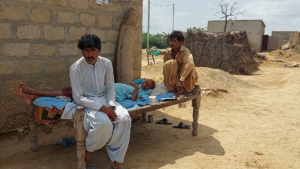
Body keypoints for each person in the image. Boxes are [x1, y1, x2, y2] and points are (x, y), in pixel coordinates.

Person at [70, 34, 130, 169]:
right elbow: (78, 97)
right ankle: (88, 153)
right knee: (104, 124)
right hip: (87, 102)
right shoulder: (75, 68)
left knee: (125, 118)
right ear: (81, 51)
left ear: (99, 50)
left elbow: (110, 88)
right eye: (86, 50)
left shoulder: (106, 64)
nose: (89, 54)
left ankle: (117, 163)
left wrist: (111, 106)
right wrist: (103, 109)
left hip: (105, 99)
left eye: (92, 50)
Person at [15, 78, 156, 106]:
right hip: (105, 87)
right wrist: (132, 84)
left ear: (149, 87)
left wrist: (136, 90)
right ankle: (32, 95)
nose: (145, 83)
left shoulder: (144, 93)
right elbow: (134, 80)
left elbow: (132, 100)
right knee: (72, 90)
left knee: (71, 92)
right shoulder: (137, 83)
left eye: (148, 83)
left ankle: (33, 94)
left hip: (105, 94)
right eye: (145, 81)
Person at [163, 30, 198, 95]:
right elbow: (166, 68)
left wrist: (181, 81)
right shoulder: (167, 52)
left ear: (181, 43)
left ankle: (183, 87)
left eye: (174, 41)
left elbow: (188, 65)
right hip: (174, 78)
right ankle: (171, 88)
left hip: (185, 78)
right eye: (170, 40)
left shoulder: (186, 52)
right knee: (169, 63)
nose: (171, 43)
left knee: (190, 64)